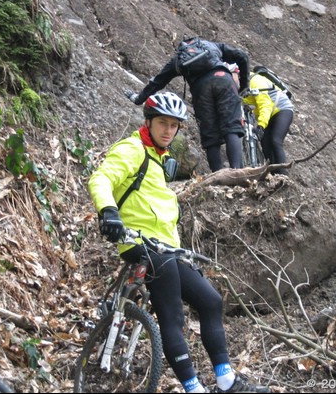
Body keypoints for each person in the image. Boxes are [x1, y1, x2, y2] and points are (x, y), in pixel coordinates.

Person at [87, 91, 270, 393]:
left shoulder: (160, 158)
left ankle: (225, 381)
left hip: (164, 246)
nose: (168, 131)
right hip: (139, 241)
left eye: (174, 125)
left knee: (210, 300)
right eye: (162, 123)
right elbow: (101, 179)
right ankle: (193, 388)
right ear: (149, 121)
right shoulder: (132, 149)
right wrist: (108, 212)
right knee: (171, 313)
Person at [127, 37, 250, 172]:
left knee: (210, 137)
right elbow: (241, 55)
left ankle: (218, 176)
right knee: (232, 127)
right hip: (223, 79)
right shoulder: (211, 45)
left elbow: (157, 82)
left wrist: (138, 99)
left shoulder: (179, 59)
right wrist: (244, 85)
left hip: (201, 89)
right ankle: (237, 172)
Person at [229, 64, 294, 175]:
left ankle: (284, 175)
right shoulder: (238, 88)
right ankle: (274, 174)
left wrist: (261, 126)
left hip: (282, 109)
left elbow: (265, 104)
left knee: (275, 140)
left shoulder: (254, 81)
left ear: (237, 73)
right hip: (267, 114)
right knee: (265, 143)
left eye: (231, 76)